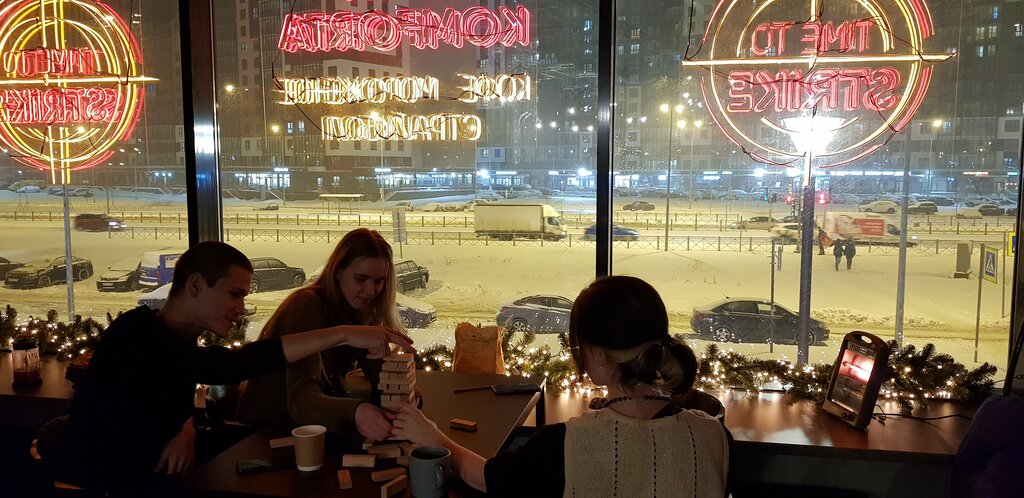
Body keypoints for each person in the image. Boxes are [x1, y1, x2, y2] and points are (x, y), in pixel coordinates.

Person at [51, 241, 413, 493]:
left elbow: (176, 379)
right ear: (196, 285)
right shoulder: (137, 333)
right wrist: (342, 334)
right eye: (234, 294)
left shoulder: (171, 338)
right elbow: (230, 365)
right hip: (107, 482)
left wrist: (185, 427)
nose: (240, 308)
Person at [393, 276, 730, 498]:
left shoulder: (563, 445)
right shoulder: (716, 436)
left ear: (598, 356)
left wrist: (431, 436)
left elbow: (484, 477)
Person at [236, 228, 405, 444]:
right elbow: (302, 403)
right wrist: (357, 411)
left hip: (306, 433)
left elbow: (380, 381)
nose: (371, 290)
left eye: (379, 281)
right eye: (361, 279)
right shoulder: (307, 305)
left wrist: (400, 392)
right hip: (263, 436)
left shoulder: (356, 307)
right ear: (337, 271)